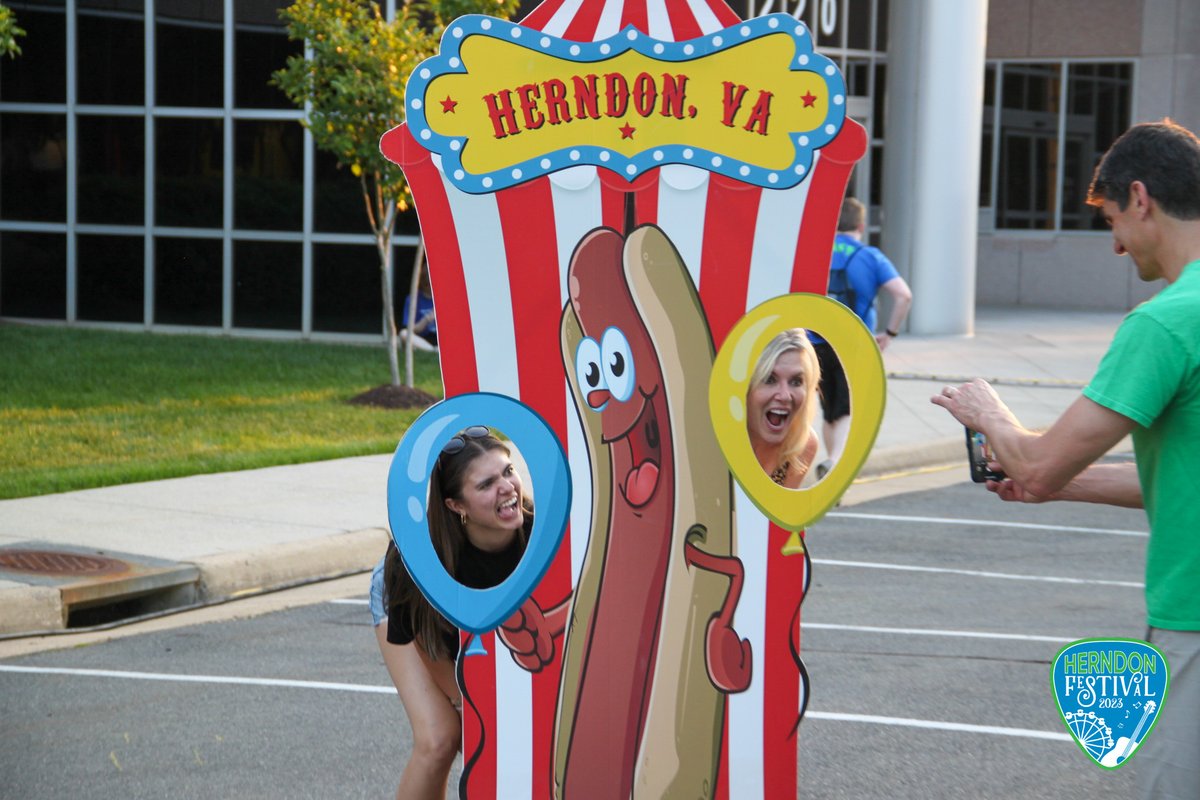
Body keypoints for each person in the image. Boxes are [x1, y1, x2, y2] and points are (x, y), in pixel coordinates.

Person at [931, 119, 1200, 800]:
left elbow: (1039, 462)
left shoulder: (1167, 322)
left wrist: (989, 415)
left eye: (1111, 217)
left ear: (1140, 198)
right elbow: (1174, 475)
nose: (1113, 243)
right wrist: (1059, 490)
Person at [369, 426, 535, 800]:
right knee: (441, 737)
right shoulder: (418, 561)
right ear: (455, 506)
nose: (507, 487)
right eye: (486, 484)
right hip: (410, 611)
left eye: (508, 471)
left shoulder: (544, 537)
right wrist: (464, 703)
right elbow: (429, 644)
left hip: (471, 619)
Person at [813, 196, 913, 479]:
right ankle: (834, 463)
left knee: (830, 408)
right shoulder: (870, 257)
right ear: (861, 224)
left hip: (816, 342)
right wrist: (890, 333)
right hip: (853, 342)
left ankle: (831, 474)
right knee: (847, 408)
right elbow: (903, 295)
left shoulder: (816, 250)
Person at [746, 329, 821, 489]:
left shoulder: (802, 446)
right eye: (769, 379)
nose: (785, 396)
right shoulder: (716, 440)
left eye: (796, 381)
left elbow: (779, 514)